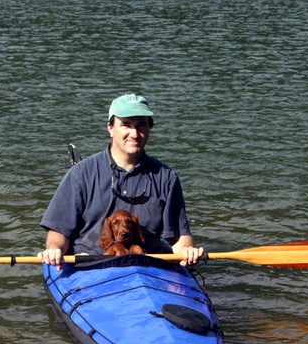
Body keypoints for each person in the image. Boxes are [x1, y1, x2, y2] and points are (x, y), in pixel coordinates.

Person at [37, 94, 204, 270]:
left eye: (141, 125)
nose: (134, 134)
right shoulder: (80, 174)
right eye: (126, 125)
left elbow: (178, 237)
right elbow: (59, 231)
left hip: (146, 264)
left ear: (149, 129)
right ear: (110, 128)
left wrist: (187, 250)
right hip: (91, 263)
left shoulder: (167, 178)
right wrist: (54, 249)